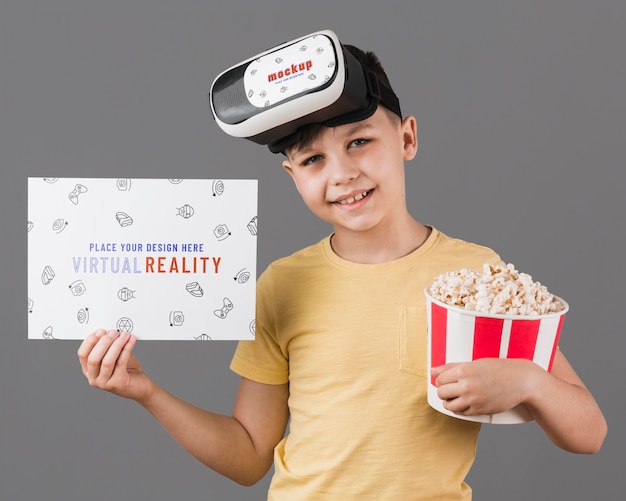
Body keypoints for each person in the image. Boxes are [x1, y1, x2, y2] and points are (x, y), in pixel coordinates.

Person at [78, 33, 607, 500]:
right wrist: (146, 392)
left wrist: (528, 381)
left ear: (407, 139)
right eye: (313, 160)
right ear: (292, 176)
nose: (343, 174)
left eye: (359, 142)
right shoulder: (281, 286)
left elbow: (590, 434)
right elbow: (248, 456)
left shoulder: (479, 277)